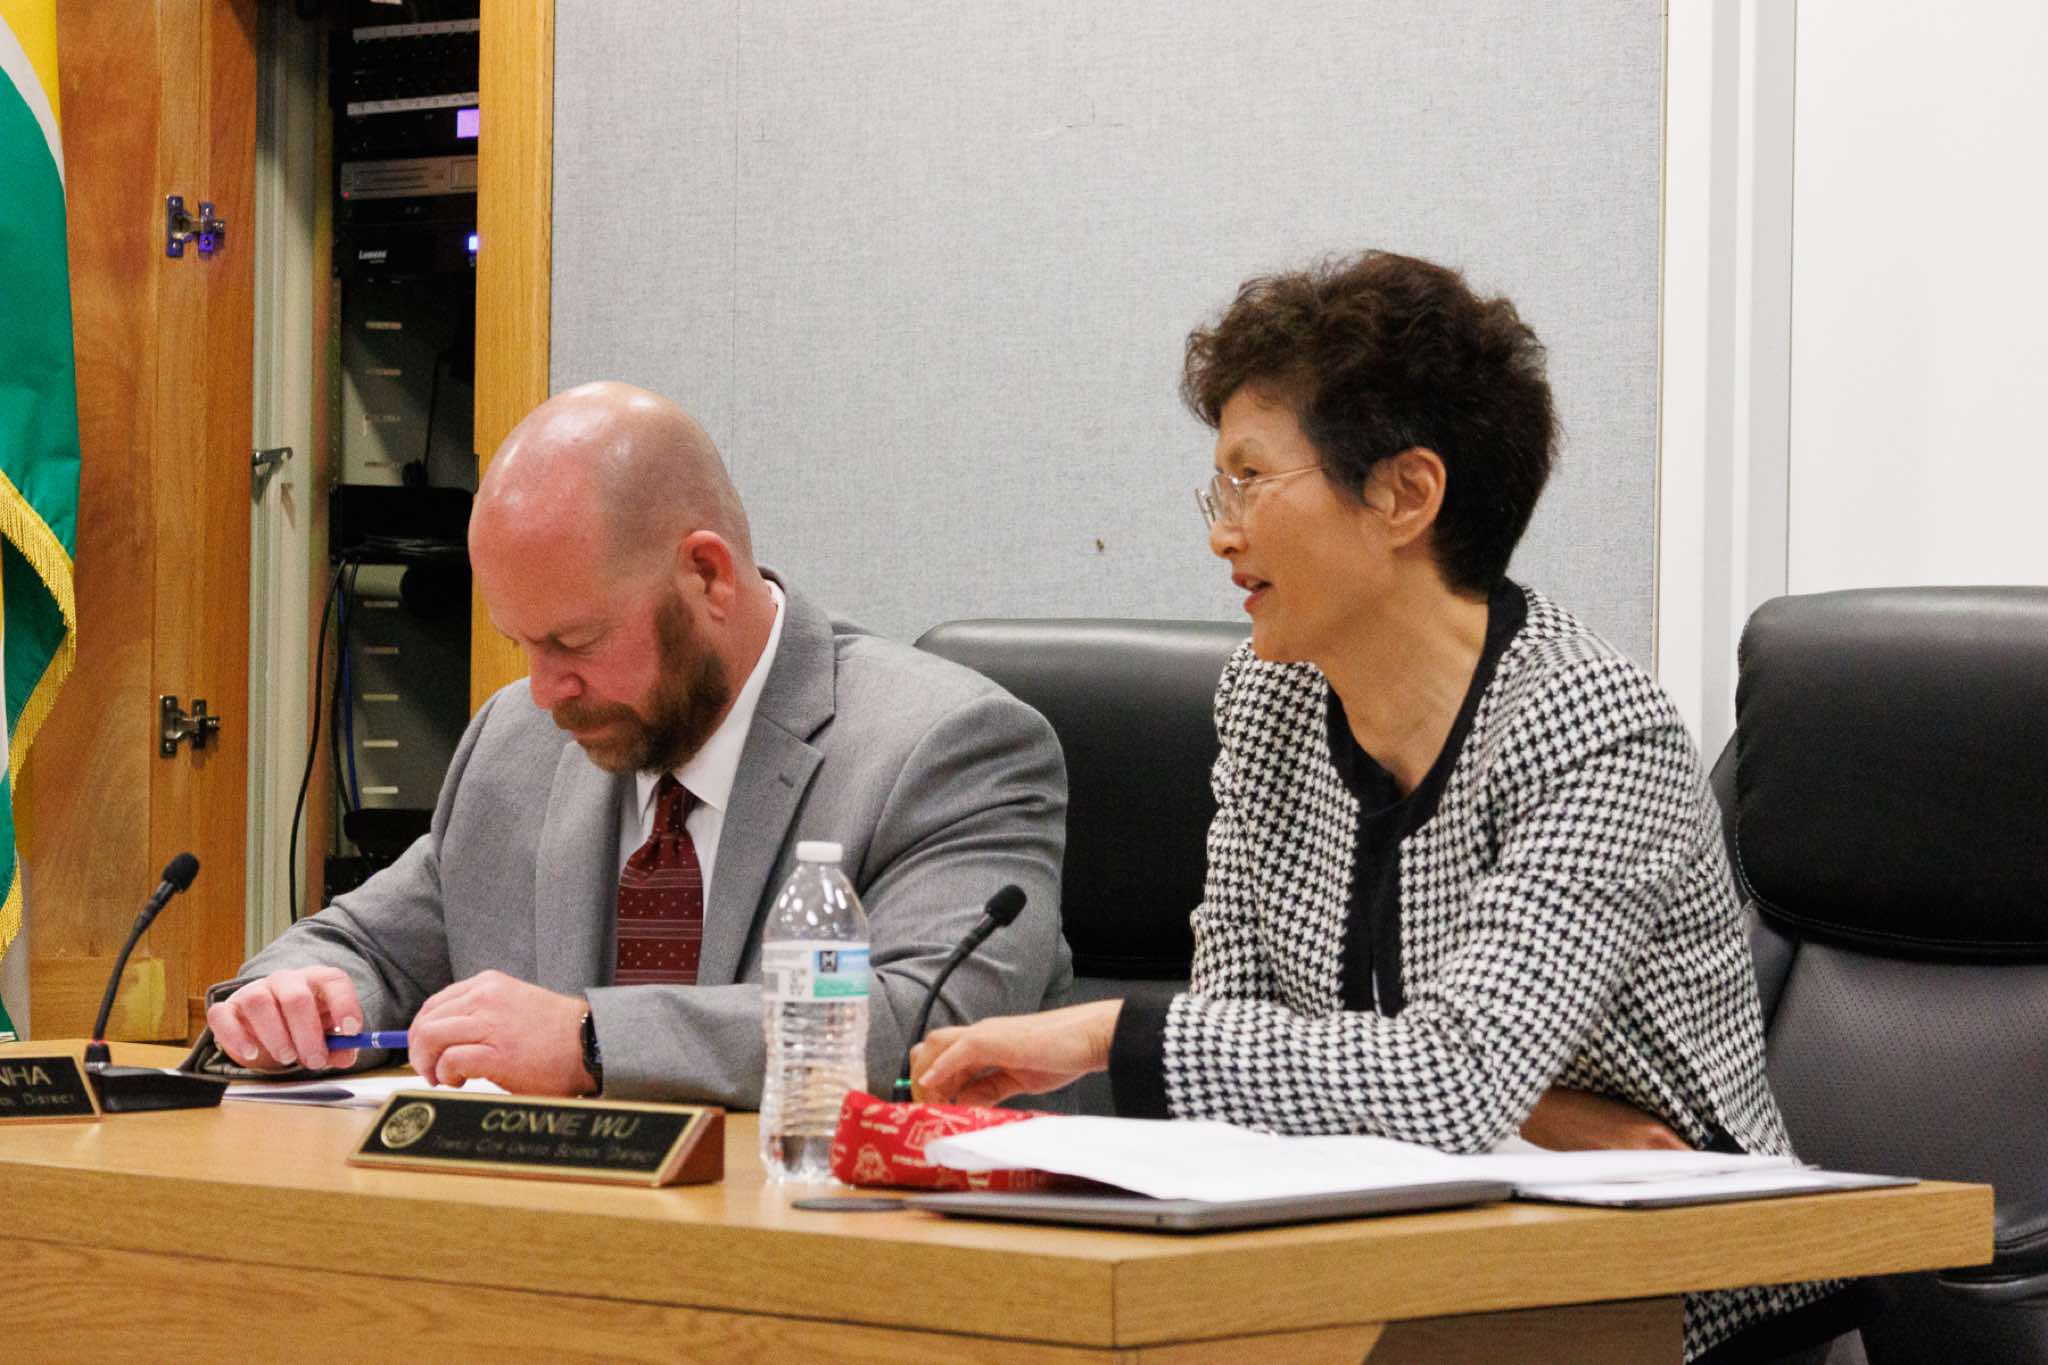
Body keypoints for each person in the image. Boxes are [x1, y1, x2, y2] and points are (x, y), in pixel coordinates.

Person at [910, 253, 1851, 1362]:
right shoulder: (1270, 702)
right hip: (1400, 1259)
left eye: (1250, 479)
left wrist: (1103, 1031)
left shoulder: (1596, 729)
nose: (1221, 532)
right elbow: (1243, 1065)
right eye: (1219, 489)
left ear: (1406, 495)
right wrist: (1535, 1113)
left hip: (1676, 1304)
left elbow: (1448, 1079)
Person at [204, 381, 1072, 1105]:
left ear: (707, 575)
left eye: (574, 642)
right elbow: (366, 946)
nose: (544, 690)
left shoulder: (947, 747)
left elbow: (934, 1024)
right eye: (521, 644)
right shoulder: (516, 744)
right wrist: (294, 998)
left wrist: (593, 1040)